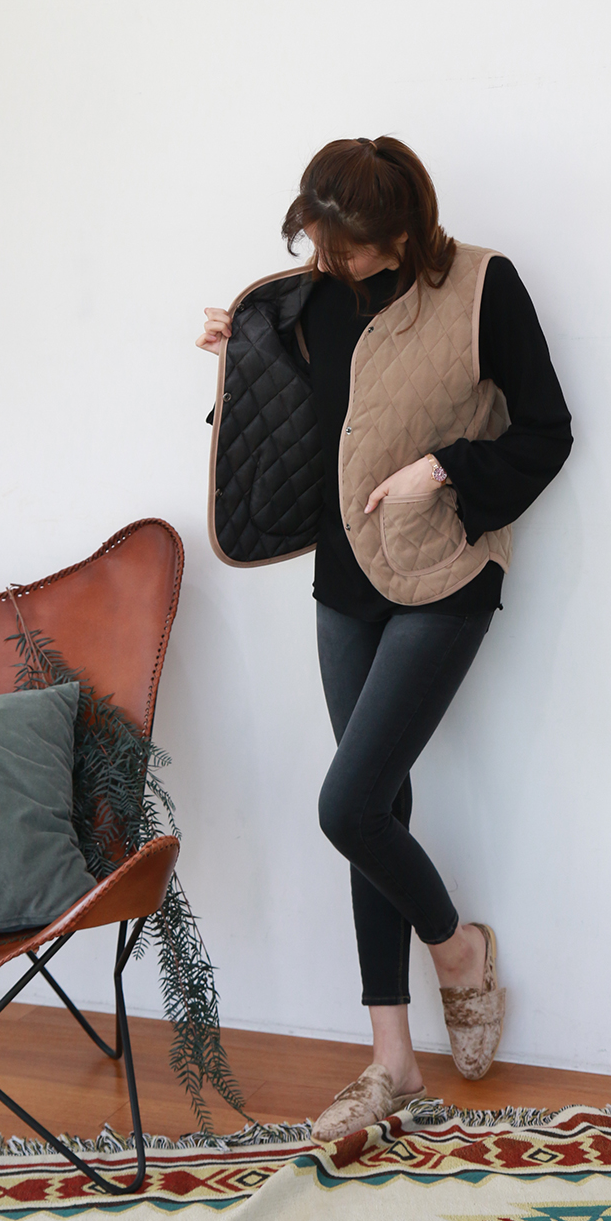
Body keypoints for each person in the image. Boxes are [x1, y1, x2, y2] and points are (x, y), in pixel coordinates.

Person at [200, 130, 572, 1138]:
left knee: (347, 804)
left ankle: (458, 951)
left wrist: (443, 467)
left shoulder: (486, 288)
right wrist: (243, 354)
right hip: (343, 579)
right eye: (316, 242)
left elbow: (547, 430)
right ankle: (393, 1062)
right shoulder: (314, 296)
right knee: (379, 807)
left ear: (402, 229)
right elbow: (315, 419)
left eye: (346, 246)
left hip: (445, 567)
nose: (328, 260)